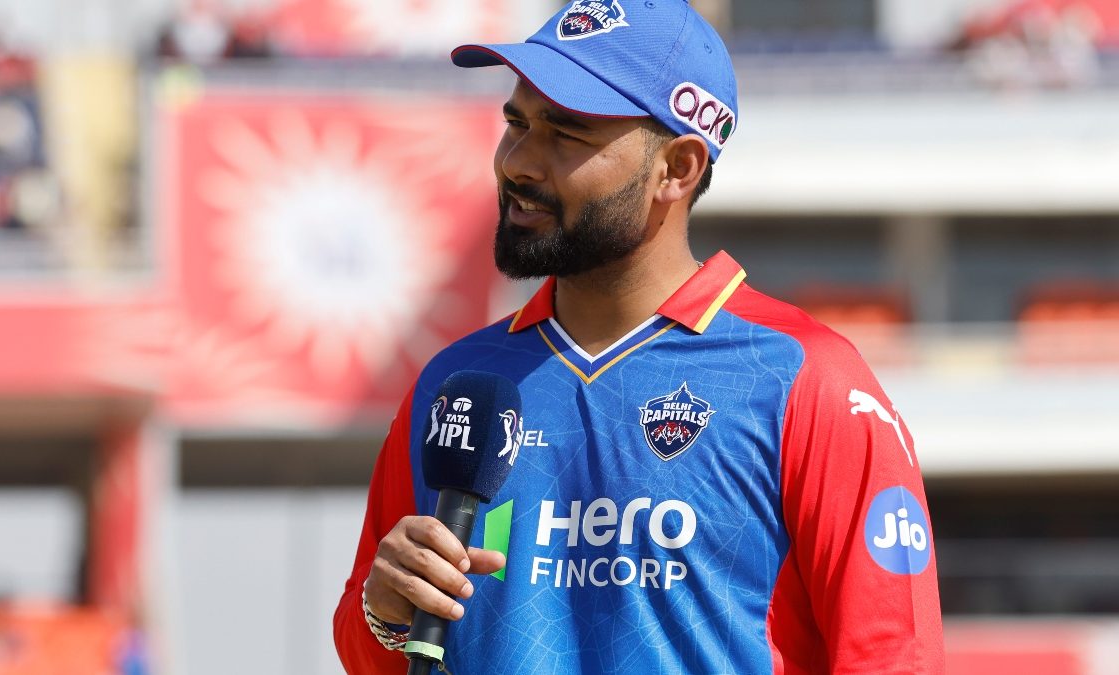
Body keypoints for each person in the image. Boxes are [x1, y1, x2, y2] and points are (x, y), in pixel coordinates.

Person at [333, 1, 944, 672]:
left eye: (566, 133)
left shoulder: (806, 378)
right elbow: (380, 655)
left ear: (678, 169)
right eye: (516, 122)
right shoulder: (455, 384)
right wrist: (382, 615)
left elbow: (894, 655)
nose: (520, 163)